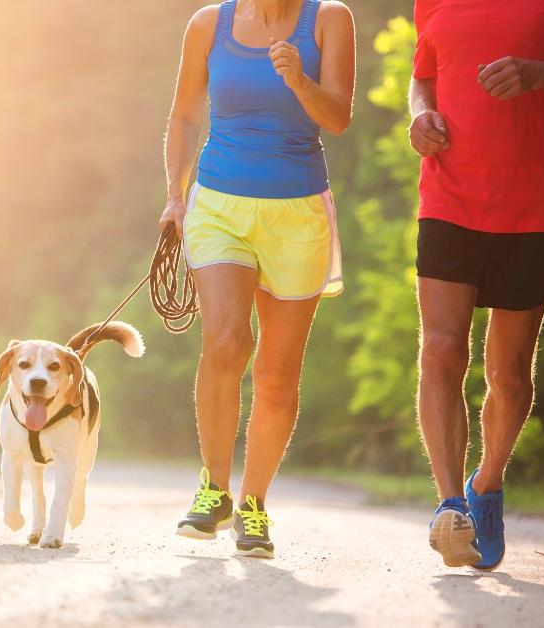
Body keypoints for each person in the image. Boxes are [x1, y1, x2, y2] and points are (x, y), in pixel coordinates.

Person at [409, 0, 544, 570]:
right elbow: (424, 76)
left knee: (508, 374)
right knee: (440, 350)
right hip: (448, 196)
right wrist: (420, 115)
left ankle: (488, 485)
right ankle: (450, 505)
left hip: (532, 206)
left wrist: (540, 73)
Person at [159, 0, 355, 558]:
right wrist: (175, 195)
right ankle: (214, 489)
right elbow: (185, 114)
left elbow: (337, 116)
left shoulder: (328, 20)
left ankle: (253, 504)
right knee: (225, 343)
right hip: (220, 202)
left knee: (277, 372)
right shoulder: (207, 24)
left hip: (298, 214)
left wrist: (298, 79)